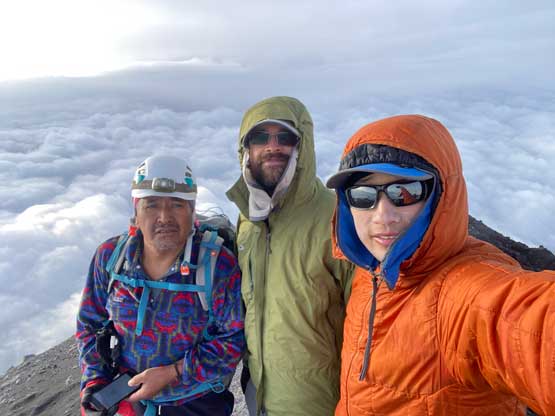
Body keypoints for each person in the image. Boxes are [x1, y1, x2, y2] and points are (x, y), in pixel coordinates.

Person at [325, 114, 555, 415]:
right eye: (363, 195)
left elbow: (531, 325)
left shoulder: (460, 293)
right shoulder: (370, 270)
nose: (383, 216)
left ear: (441, 195)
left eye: (405, 193)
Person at [76, 155, 245, 416]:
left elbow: (235, 339)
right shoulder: (110, 257)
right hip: (129, 400)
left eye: (177, 204)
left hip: (197, 403)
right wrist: (95, 379)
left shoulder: (217, 265)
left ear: (192, 210)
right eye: (152, 205)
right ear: (137, 211)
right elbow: (89, 323)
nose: (164, 217)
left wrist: (174, 372)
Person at [226, 96, 353, 416]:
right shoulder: (247, 218)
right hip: (258, 394)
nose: (273, 146)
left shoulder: (336, 216)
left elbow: (368, 320)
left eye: (285, 137)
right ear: (246, 149)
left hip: (319, 403)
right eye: (260, 137)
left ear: (302, 146)